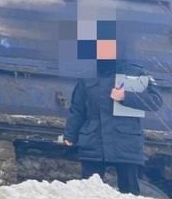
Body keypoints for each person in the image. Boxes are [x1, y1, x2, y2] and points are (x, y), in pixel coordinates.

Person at [62, 29, 163, 195]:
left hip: (126, 142)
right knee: (88, 192)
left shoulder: (135, 72)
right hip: (94, 141)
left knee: (129, 192)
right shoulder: (87, 76)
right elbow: (77, 109)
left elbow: (155, 101)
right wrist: (70, 136)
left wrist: (126, 96)